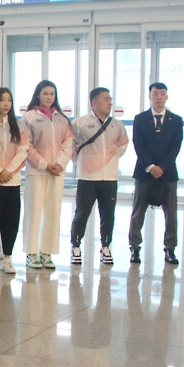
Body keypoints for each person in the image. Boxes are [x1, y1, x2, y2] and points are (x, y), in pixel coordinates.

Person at [69, 88, 129, 265]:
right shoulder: (80, 123)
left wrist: (113, 158)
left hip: (110, 177)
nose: (109, 102)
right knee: (81, 213)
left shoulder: (117, 125)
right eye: (105, 99)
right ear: (94, 102)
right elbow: (70, 143)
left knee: (108, 215)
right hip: (87, 177)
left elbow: (123, 144)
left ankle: (105, 246)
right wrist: (78, 160)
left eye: (110, 99)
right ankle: (76, 246)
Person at [129, 82, 183, 265]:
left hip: (168, 173)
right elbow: (138, 144)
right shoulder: (140, 119)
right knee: (138, 211)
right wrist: (151, 166)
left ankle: (170, 248)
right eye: (155, 94)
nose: (159, 97)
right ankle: (134, 247)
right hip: (144, 172)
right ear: (150, 96)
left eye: (162, 93)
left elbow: (176, 147)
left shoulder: (176, 120)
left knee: (171, 213)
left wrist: (162, 167)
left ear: (167, 96)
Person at [22, 80, 74, 270]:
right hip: (37, 171)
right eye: (45, 93)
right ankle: (31, 252)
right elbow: (26, 145)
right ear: (38, 95)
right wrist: (45, 164)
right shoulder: (28, 117)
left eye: (52, 94)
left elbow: (68, 143)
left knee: (53, 212)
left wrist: (59, 164)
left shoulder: (62, 119)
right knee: (34, 211)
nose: (49, 97)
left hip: (57, 173)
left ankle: (47, 252)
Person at [0, 87, 28, 275]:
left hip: (12, 181)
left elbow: (23, 150)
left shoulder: (18, 125)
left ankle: (8, 258)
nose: (6, 104)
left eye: (9, 100)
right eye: (2, 100)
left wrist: (8, 171)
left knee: (11, 221)